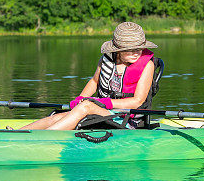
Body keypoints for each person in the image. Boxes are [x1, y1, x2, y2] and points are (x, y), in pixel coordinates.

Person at [20, 22, 157, 130]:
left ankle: (43, 138)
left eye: (139, 48)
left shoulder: (147, 65)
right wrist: (80, 99)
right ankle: (17, 132)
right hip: (105, 111)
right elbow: (94, 81)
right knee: (63, 116)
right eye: (131, 49)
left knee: (86, 107)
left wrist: (104, 102)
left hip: (128, 119)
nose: (136, 53)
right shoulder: (107, 59)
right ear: (119, 50)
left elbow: (137, 101)